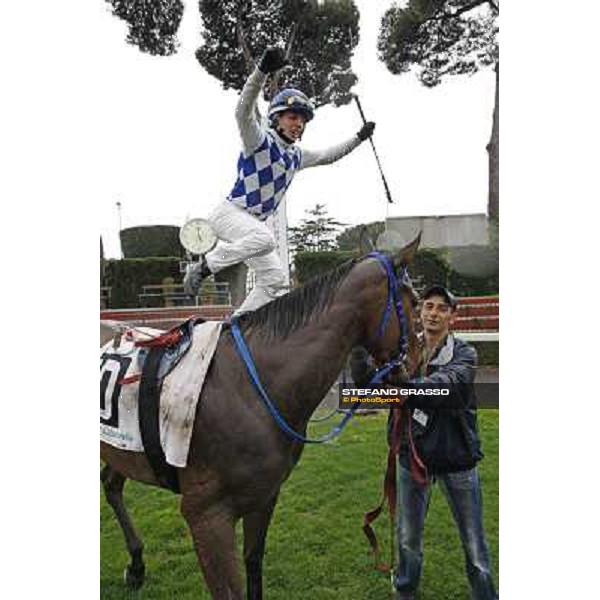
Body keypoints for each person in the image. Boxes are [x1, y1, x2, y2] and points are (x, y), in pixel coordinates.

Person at [184, 46, 375, 313]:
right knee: (266, 238)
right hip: (229, 215)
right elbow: (242, 111)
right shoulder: (258, 140)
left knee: (276, 281)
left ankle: (236, 328)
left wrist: (358, 138)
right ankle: (204, 267)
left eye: (303, 120)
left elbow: (328, 155)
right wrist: (261, 71)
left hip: (252, 227)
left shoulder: (296, 156)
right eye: (293, 117)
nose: (298, 124)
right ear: (276, 118)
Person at [350, 285, 498, 600]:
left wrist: (407, 388)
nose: (433, 313)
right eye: (428, 306)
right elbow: (367, 383)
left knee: (474, 544)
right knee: (407, 538)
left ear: (452, 318)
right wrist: (360, 345)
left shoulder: (464, 353)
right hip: (411, 456)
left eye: (442, 308)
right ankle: (405, 592)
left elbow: (450, 387)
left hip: (456, 458)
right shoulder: (404, 352)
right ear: (419, 313)